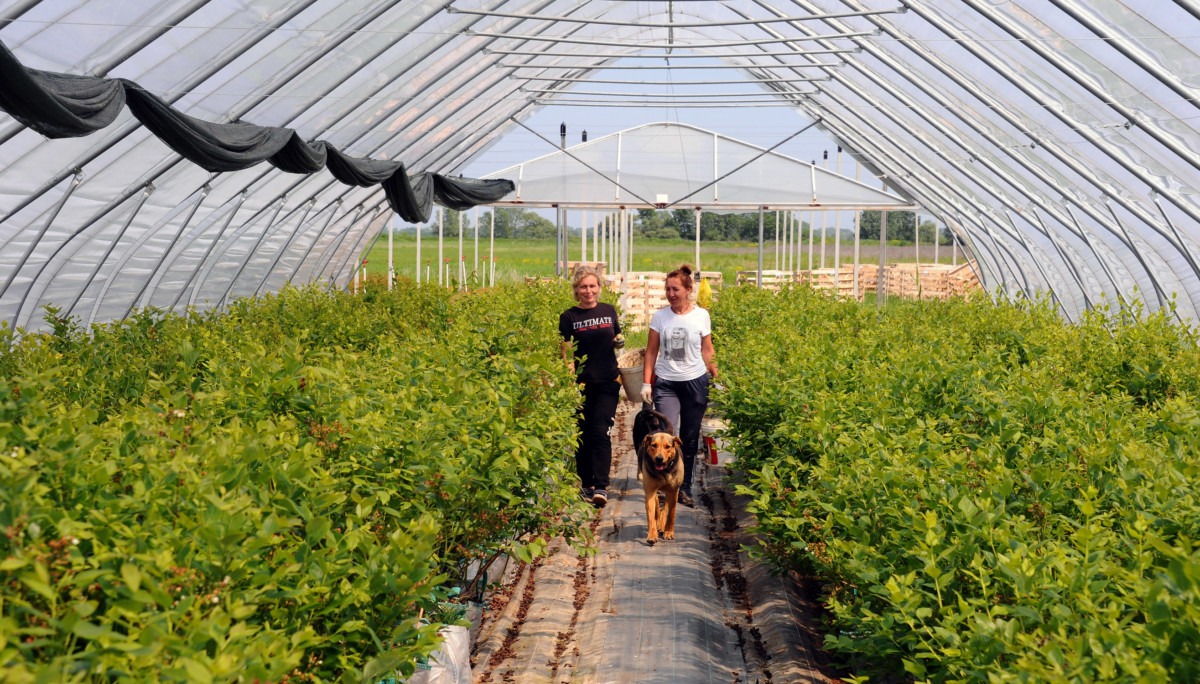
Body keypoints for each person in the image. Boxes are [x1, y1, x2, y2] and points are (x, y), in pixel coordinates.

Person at [640, 264, 717, 508]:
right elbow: (651, 352)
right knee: (665, 435)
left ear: (688, 289)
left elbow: (708, 350)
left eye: (675, 289)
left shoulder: (701, 315)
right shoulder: (660, 316)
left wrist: (718, 376)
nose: (671, 294)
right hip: (667, 383)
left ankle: (684, 488)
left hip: (695, 382)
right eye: (667, 289)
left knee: (690, 438)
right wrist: (646, 383)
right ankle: (663, 484)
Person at [559, 265, 624, 507]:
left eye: (592, 286)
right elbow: (567, 355)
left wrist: (620, 341)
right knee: (582, 433)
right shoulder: (568, 317)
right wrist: (570, 385)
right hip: (582, 384)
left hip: (608, 381)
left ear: (599, 288)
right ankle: (585, 483)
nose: (589, 291)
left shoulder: (609, 310)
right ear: (576, 290)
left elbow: (617, 338)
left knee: (601, 431)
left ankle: (600, 486)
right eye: (583, 286)